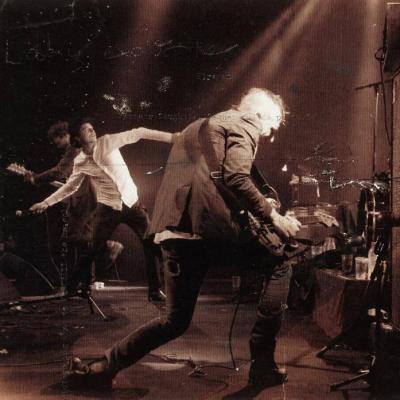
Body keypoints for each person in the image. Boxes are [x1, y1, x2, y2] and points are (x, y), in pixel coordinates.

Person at [61, 88, 301, 390]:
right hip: (204, 234)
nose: (268, 135)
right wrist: (274, 217)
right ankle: (262, 364)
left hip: (175, 236)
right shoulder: (244, 122)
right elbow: (236, 177)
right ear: (261, 114)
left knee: (174, 321)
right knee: (281, 262)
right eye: (271, 126)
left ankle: (101, 368)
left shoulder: (200, 126)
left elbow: (214, 179)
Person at [29, 119, 175, 300]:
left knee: (150, 244)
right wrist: (45, 203)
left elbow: (139, 132)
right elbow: (70, 187)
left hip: (132, 204)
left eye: (92, 128)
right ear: (77, 138)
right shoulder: (80, 162)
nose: (91, 131)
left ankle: (154, 291)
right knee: (91, 249)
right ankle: (72, 288)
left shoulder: (107, 141)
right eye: (86, 129)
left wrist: (172, 138)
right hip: (108, 209)